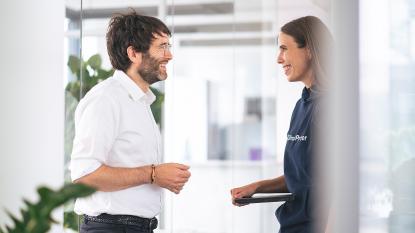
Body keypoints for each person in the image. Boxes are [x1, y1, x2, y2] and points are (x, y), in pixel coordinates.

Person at [69, 11, 191, 233]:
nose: (169, 55)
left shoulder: (140, 101)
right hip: (110, 228)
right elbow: (83, 177)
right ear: (134, 53)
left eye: (169, 46)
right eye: (162, 46)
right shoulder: (105, 100)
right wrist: (153, 174)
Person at [230, 16, 334, 233]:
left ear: (310, 50)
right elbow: (303, 177)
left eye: (284, 49)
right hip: (292, 225)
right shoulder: (302, 104)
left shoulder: (332, 106)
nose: (279, 59)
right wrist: (257, 187)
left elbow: (341, 183)